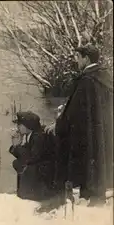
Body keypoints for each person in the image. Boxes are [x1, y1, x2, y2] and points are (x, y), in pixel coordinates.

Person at [45, 44, 113, 205]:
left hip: (87, 131)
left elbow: (74, 112)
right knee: (98, 161)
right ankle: (97, 196)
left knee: (87, 160)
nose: (76, 61)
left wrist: (59, 123)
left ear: (86, 59)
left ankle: (89, 198)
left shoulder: (86, 80)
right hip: (102, 128)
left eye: (78, 57)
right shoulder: (104, 76)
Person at [9, 111, 55, 201]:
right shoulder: (33, 134)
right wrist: (16, 147)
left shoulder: (38, 137)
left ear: (28, 126)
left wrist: (17, 146)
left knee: (20, 164)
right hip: (43, 167)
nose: (17, 127)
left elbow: (32, 158)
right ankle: (25, 193)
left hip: (46, 171)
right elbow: (28, 154)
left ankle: (29, 194)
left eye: (19, 125)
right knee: (18, 163)